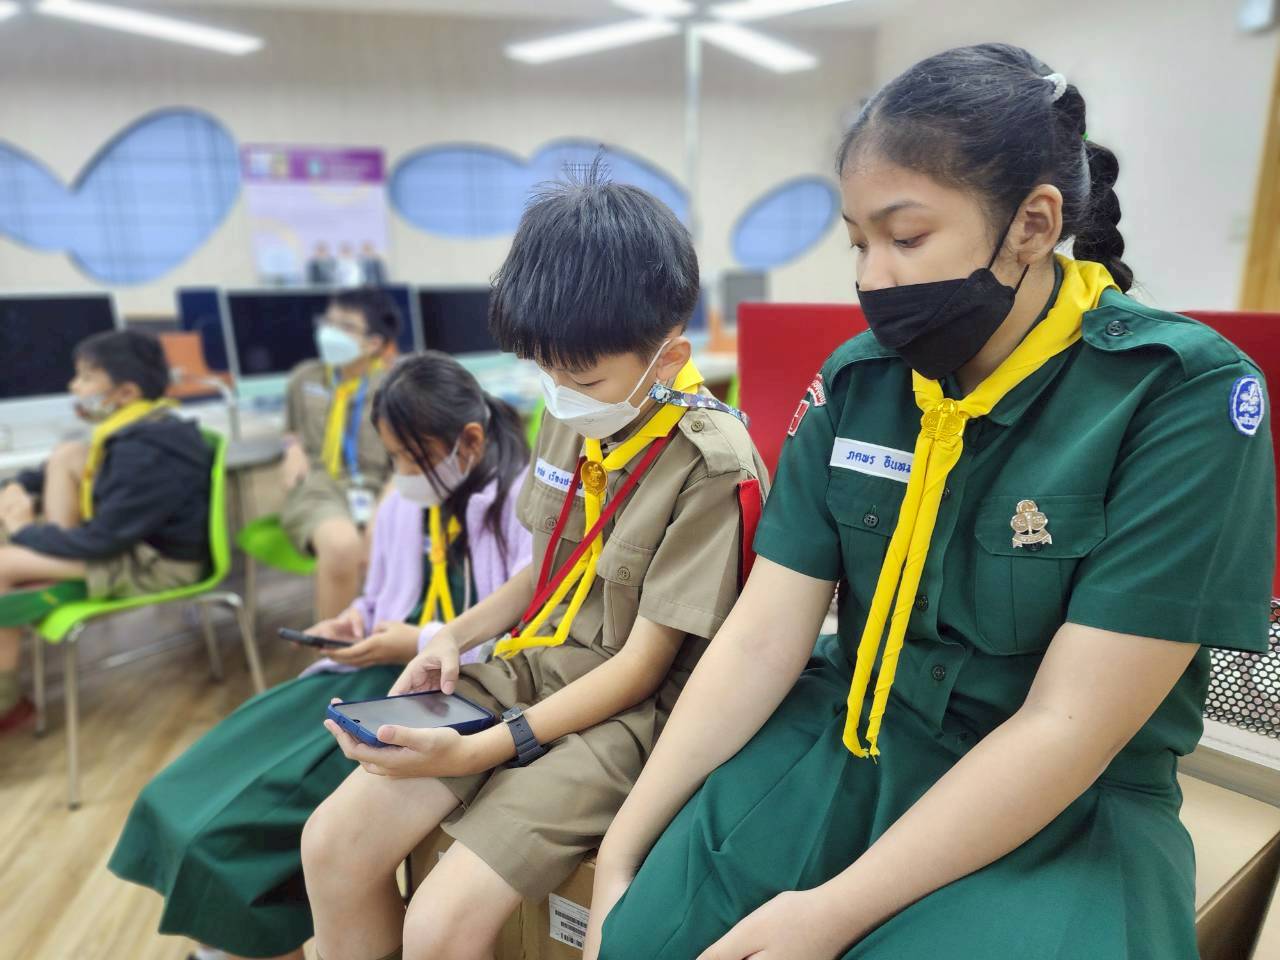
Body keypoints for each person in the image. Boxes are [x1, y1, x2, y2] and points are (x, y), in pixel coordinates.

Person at [586, 44, 1276, 960]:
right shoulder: (860, 381)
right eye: (857, 242)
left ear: (1033, 224)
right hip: (851, 737)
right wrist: (624, 848)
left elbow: (1067, 727)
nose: (871, 277)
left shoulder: (1179, 396)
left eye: (905, 238)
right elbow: (762, 637)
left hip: (1062, 802)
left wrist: (830, 914)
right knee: (641, 941)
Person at [300, 166, 767, 960]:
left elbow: (642, 670)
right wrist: (449, 637)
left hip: (628, 718)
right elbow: (542, 575)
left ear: (668, 358)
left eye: (580, 377)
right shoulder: (575, 407)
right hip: (534, 665)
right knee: (332, 846)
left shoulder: (712, 464)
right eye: (546, 371)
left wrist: (487, 747)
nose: (559, 393)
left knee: (440, 926)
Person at [109, 352, 533, 960]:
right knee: (182, 789)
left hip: (439, 691)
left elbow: (522, 631)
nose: (400, 473)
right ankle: (231, 941)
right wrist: (354, 619)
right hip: (370, 670)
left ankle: (240, 942)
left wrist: (412, 641)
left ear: (468, 441)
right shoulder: (405, 501)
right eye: (393, 456)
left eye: (410, 457)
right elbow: (382, 594)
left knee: (225, 832)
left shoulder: (519, 502)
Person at [0, 330, 212, 731]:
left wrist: (24, 530)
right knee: (68, 454)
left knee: (4, 564)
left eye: (85, 378)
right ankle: (51, 574)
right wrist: (17, 486)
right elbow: (56, 470)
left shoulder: (146, 450)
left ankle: (6, 703)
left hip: (158, 565)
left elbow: (101, 541)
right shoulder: (131, 429)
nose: (73, 387)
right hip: (125, 547)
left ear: (126, 392)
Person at [280, 288, 398, 620]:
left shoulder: (393, 388)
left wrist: (379, 518)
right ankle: (333, 647)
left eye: (345, 326)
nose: (329, 332)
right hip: (319, 485)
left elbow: (406, 464)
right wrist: (292, 448)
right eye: (328, 322)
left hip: (379, 488)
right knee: (342, 546)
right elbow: (291, 428)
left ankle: (377, 634)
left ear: (373, 343)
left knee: (388, 544)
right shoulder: (305, 378)